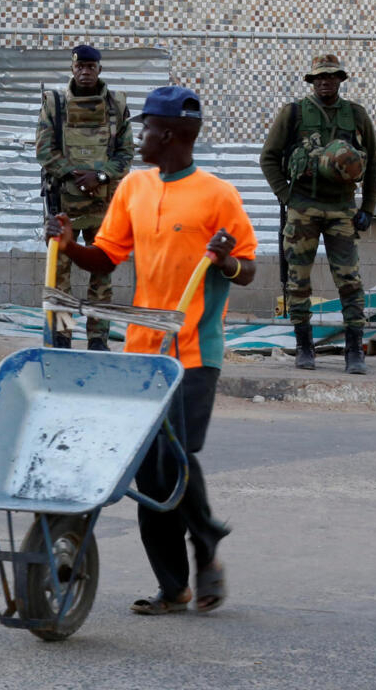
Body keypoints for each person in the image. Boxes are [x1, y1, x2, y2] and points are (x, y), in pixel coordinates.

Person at [47, 85, 257, 617]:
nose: (138, 138)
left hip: (194, 348)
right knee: (149, 473)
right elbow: (106, 259)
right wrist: (70, 243)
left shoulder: (218, 195)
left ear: (170, 135)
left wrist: (225, 261)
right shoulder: (133, 189)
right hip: (143, 349)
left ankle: (206, 543)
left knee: (175, 452)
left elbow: (248, 268)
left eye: (146, 129)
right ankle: (174, 587)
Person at [259, 54, 376, 374]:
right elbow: (268, 158)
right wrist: (287, 197)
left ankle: (354, 350)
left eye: (332, 76)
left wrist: (367, 208)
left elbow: (374, 165)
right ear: (312, 81)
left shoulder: (356, 115)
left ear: (341, 79)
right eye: (320, 77)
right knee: (298, 281)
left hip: (341, 210)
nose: (326, 82)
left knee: (350, 280)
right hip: (303, 209)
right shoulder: (294, 113)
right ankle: (304, 346)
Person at [34, 44, 134, 350]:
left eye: (91, 66)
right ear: (72, 68)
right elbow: (43, 150)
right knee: (59, 275)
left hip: (103, 206)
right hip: (64, 204)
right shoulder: (55, 102)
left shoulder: (116, 104)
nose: (85, 72)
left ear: (99, 69)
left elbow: (126, 153)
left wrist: (100, 176)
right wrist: (74, 177)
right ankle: (62, 336)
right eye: (80, 66)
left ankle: (97, 338)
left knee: (101, 274)